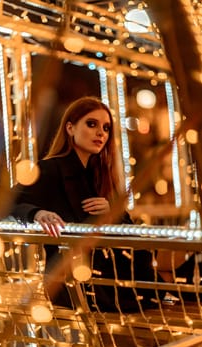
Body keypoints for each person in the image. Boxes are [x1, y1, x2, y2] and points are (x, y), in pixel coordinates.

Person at [12, 96, 162, 312]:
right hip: (71, 282)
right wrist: (37, 213)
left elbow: (126, 227)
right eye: (91, 124)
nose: (101, 133)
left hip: (108, 276)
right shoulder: (49, 169)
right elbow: (7, 204)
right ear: (70, 128)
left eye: (106, 128)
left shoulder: (100, 175)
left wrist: (112, 211)